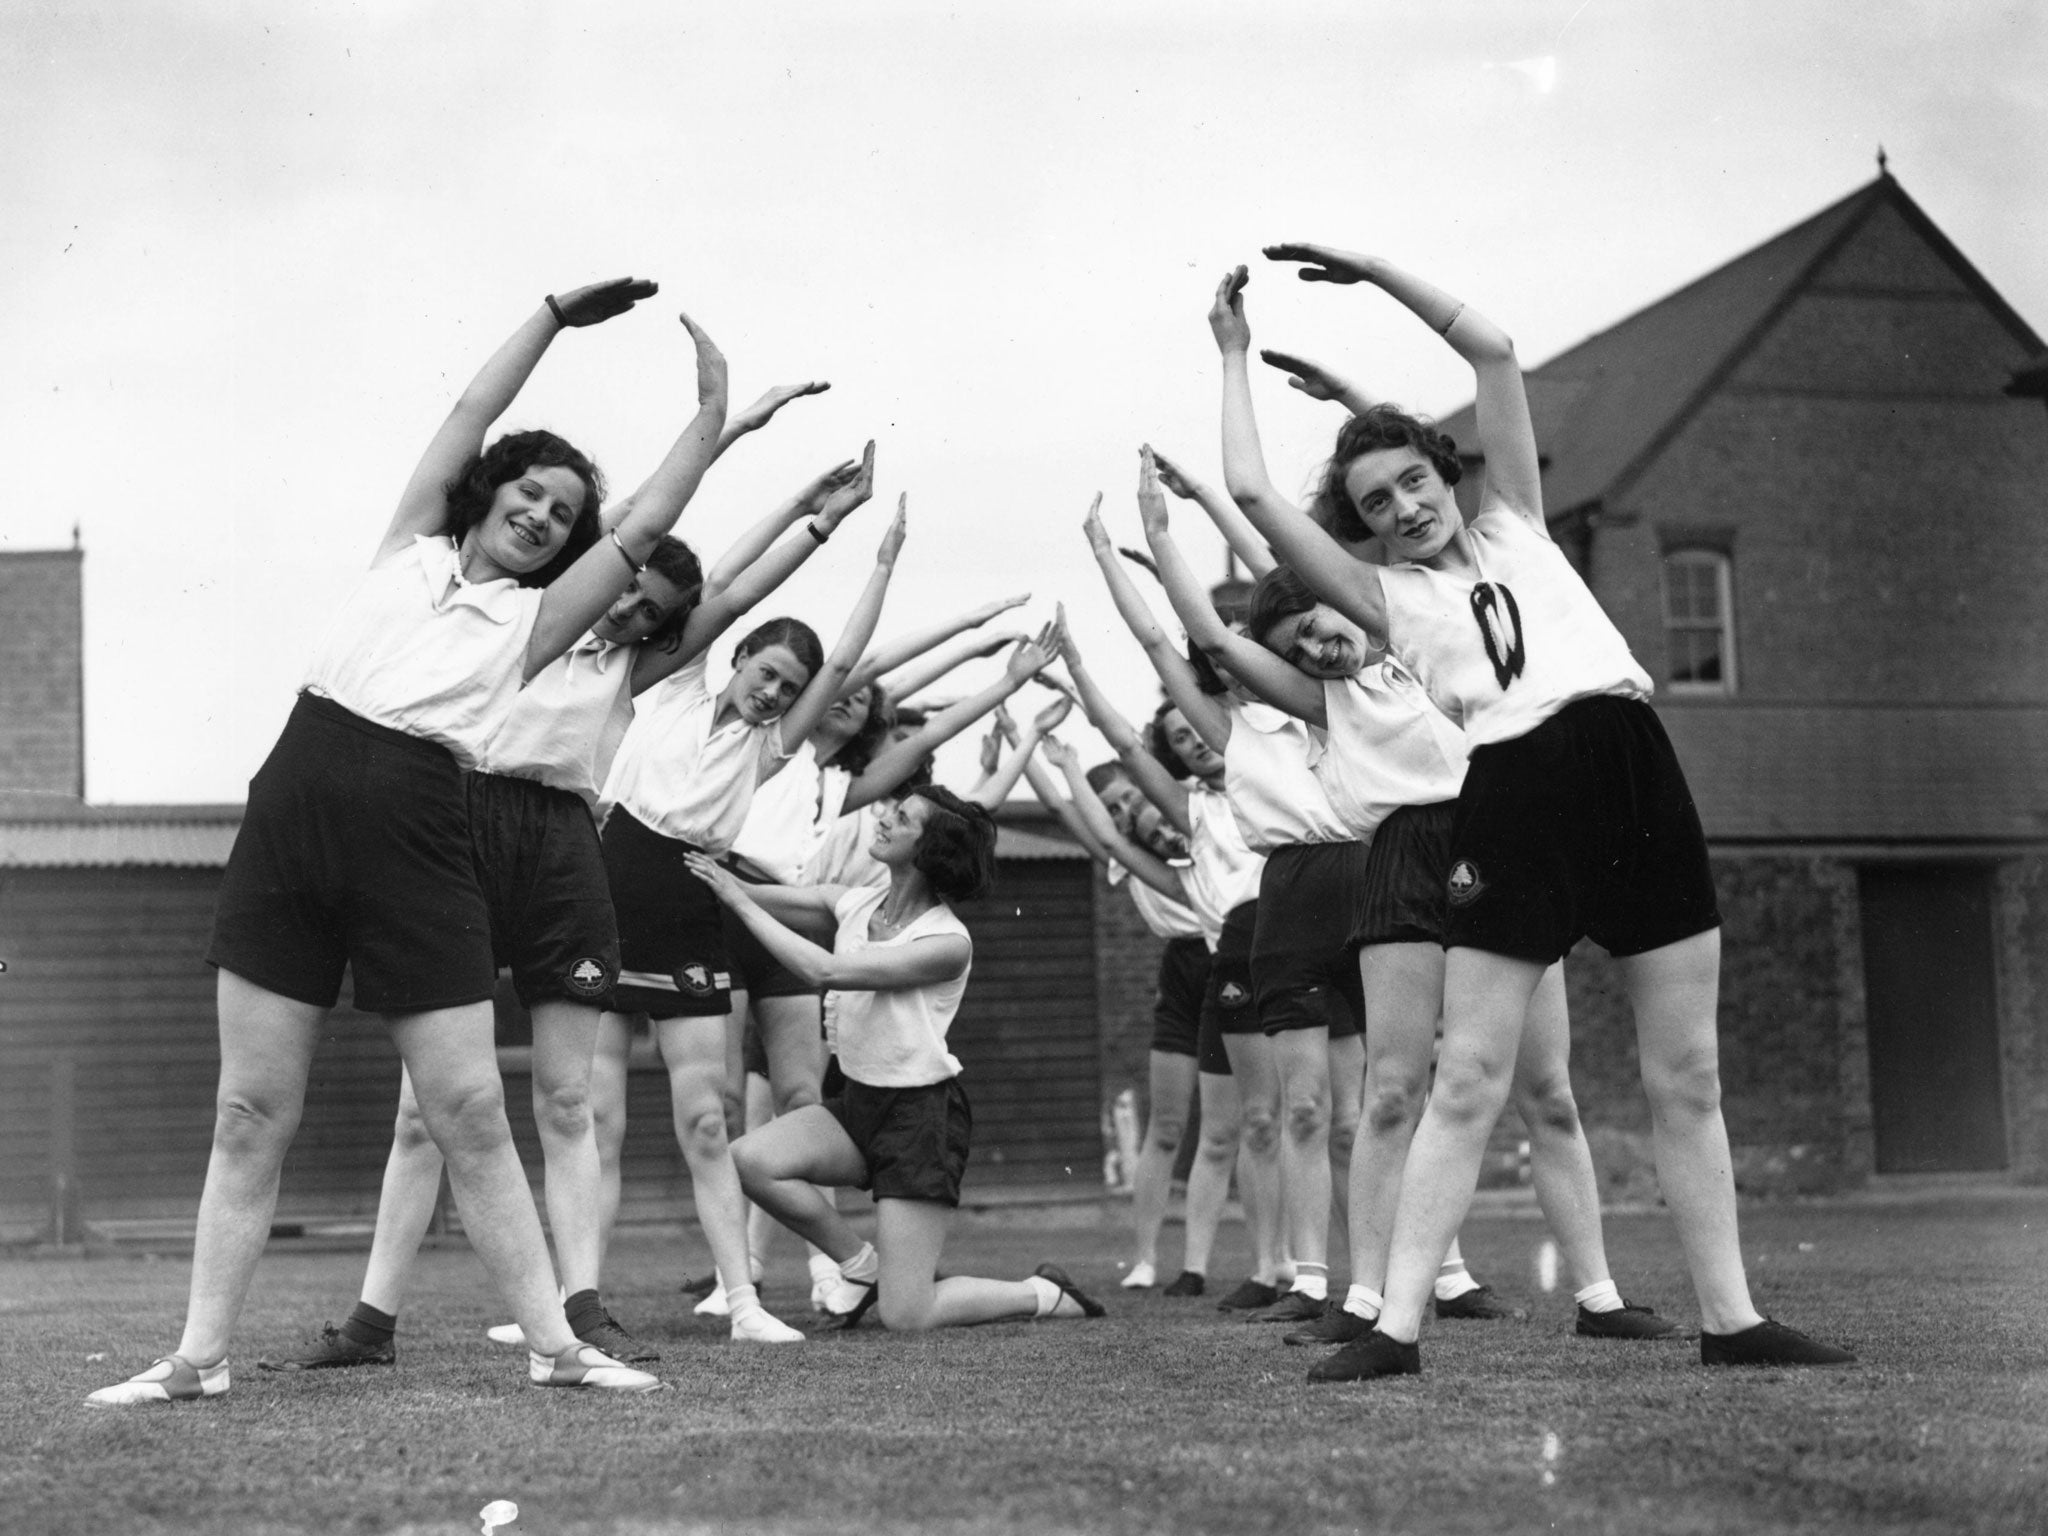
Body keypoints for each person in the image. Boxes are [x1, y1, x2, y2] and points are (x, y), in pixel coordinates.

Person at [1219, 247, 1854, 1374]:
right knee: (1466, 1077)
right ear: (1361, 529)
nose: (1403, 507)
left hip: (1631, 762)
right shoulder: (1383, 598)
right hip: (1513, 791)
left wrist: (1369, 275)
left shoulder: (1515, 517)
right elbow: (1256, 496)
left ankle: (1730, 1320)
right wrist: (1232, 358)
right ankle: (1396, 1328)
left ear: (1443, 473)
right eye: (1374, 504)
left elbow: (1492, 348)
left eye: (1413, 480)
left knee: (1687, 1073)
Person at [89, 279, 716, 1405]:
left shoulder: (539, 620)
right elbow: (471, 408)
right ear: (488, 493)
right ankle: (198, 1359)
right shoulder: (406, 548)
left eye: (563, 514)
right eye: (528, 491)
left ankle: (557, 1347)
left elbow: (641, 531)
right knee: (248, 1110)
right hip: (298, 796)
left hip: (419, 823)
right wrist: (550, 319)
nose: (540, 514)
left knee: (468, 1108)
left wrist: (708, 420)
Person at [259, 386, 852, 1372]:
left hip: (561, 848)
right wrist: (726, 434)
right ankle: (371, 1320)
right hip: (455, 826)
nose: (627, 609)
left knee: (567, 1101)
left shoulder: (630, 668)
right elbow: (636, 522)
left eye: (649, 613)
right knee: (425, 1107)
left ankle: (578, 1306)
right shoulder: (520, 620)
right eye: (622, 588)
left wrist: (816, 524)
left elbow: (733, 593)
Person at [595, 493, 908, 1343]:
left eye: (789, 689)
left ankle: (743, 1304)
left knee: (707, 1118)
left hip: (690, 895)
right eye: (765, 674)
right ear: (735, 661)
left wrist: (879, 567)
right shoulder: (672, 690)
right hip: (610, 881)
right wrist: (813, 520)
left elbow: (843, 659)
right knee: (595, 1119)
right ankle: (570, 1301)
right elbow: (730, 582)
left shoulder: (772, 748)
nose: (774, 693)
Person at [693, 788, 1106, 1332]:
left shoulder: (946, 941)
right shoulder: (859, 902)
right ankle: (863, 1268)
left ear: (927, 849)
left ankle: (1045, 1292)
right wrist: (716, 877)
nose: (884, 818)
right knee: (748, 1160)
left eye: (902, 817)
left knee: (907, 1315)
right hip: (859, 1104)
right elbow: (775, 893)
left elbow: (824, 973)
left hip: (921, 1121)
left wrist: (740, 903)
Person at [1058, 608, 1286, 1308]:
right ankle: (1191, 1265)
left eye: (1200, 731)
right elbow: (1114, 815)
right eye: (1181, 741)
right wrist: (1066, 741)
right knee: (1227, 1127)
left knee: (1287, 1121)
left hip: (1288, 956)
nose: (1196, 744)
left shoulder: (1273, 789)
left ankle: (1285, 1264)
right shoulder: (1189, 827)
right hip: (1225, 970)